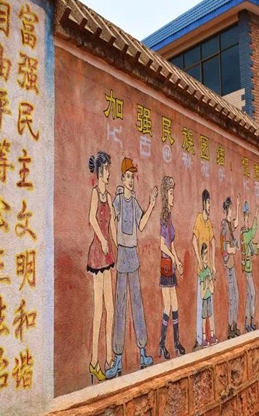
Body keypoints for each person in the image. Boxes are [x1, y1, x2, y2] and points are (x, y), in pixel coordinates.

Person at [105, 158, 158, 379]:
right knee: (120, 306)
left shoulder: (134, 202)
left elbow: (141, 225)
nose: (130, 180)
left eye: (132, 177)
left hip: (133, 256)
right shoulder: (118, 201)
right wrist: (116, 242)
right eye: (127, 176)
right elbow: (111, 221)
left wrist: (152, 204)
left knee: (137, 304)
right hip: (122, 255)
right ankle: (117, 359)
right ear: (122, 178)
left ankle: (143, 353)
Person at [86, 151, 117, 383]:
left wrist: (115, 243)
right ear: (100, 172)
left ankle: (109, 359)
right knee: (99, 310)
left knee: (111, 309)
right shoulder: (96, 193)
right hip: (98, 254)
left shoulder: (110, 196)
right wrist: (103, 239)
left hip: (108, 254)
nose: (109, 173)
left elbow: (112, 222)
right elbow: (92, 218)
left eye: (108, 169)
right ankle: (94, 362)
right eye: (106, 169)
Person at [158, 176, 185, 360]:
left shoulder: (170, 217)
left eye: (173, 193)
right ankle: (163, 343)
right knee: (168, 306)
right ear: (165, 195)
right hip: (166, 267)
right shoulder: (164, 217)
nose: (173, 196)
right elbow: (162, 245)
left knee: (174, 305)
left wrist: (178, 260)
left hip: (172, 266)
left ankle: (175, 342)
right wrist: (173, 258)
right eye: (171, 193)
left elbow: (172, 244)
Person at [192, 190, 215, 350]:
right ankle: (200, 338)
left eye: (210, 203)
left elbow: (213, 242)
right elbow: (194, 240)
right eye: (208, 203)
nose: (210, 206)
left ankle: (210, 335)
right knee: (201, 305)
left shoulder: (209, 223)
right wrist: (200, 261)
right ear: (203, 203)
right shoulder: (199, 219)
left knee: (209, 305)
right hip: (201, 270)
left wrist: (213, 264)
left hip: (208, 269)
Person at [221, 195, 241, 339]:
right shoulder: (225, 227)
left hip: (231, 265)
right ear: (227, 210)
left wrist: (238, 206)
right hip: (228, 265)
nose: (232, 212)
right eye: (232, 209)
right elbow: (227, 248)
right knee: (233, 298)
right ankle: (230, 328)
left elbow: (236, 223)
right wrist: (235, 249)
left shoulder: (228, 224)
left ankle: (233, 325)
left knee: (236, 296)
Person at [240, 202, 259, 332]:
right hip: (247, 271)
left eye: (248, 217)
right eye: (246, 218)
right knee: (253, 294)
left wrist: (257, 247)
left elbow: (253, 249)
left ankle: (248, 323)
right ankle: (251, 320)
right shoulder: (244, 233)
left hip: (249, 270)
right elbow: (252, 233)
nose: (247, 220)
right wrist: (256, 217)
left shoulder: (246, 234)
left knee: (249, 296)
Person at [199, 243, 217, 346]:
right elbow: (202, 294)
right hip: (204, 300)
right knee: (204, 318)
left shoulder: (209, 271)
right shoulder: (202, 273)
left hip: (209, 297)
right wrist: (206, 284)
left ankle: (212, 335)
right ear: (201, 257)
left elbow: (212, 290)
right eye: (204, 254)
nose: (206, 256)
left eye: (207, 254)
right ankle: (204, 338)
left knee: (210, 316)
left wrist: (209, 283)